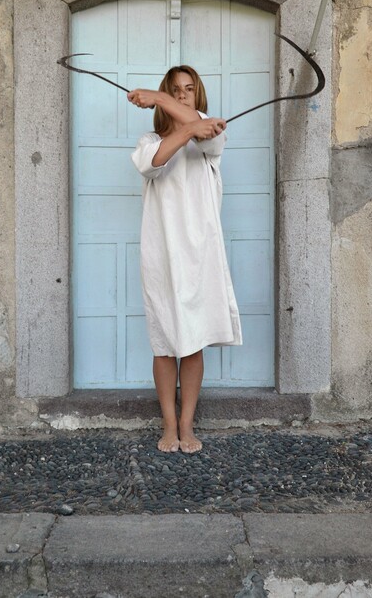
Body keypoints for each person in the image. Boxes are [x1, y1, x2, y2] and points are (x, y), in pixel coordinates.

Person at [128, 66, 242, 454]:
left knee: (192, 343)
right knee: (163, 343)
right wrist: (187, 128)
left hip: (199, 254)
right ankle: (169, 423)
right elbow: (153, 162)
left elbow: (201, 129)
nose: (181, 96)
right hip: (160, 253)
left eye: (188, 90)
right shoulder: (149, 140)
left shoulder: (211, 136)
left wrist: (163, 103)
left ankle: (188, 423)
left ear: (198, 95)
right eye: (173, 91)